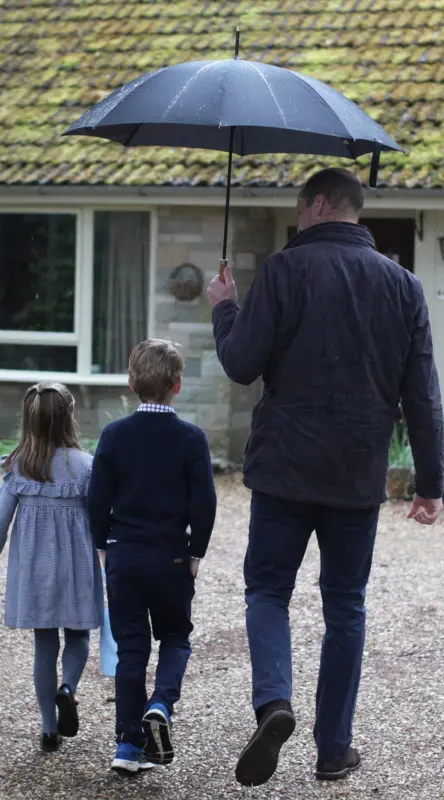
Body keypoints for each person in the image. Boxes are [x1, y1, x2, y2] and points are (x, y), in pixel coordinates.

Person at [207, 167, 444, 786]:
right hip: (355, 474)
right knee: (345, 607)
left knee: (266, 591)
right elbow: (423, 394)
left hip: (284, 469)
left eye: (299, 208)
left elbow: (240, 364)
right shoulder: (404, 286)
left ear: (316, 205)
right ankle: (334, 749)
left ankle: (275, 703)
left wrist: (225, 308)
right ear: (354, 211)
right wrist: (430, 483)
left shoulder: (284, 271)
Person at [88, 339, 217, 774]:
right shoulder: (191, 439)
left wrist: (103, 545)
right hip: (171, 558)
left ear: (130, 384)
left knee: (131, 649)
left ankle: (127, 746)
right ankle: (161, 703)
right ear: (178, 385)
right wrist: (196, 550)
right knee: (176, 637)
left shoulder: (113, 435)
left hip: (124, 555)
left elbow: (97, 498)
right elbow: (205, 503)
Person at [0, 382, 103, 753]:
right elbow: (102, 516)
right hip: (77, 567)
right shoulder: (86, 466)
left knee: (44, 644)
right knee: (78, 636)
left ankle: (49, 729)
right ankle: (69, 689)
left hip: (35, 568)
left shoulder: (20, 467)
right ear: (69, 417)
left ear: (28, 421)